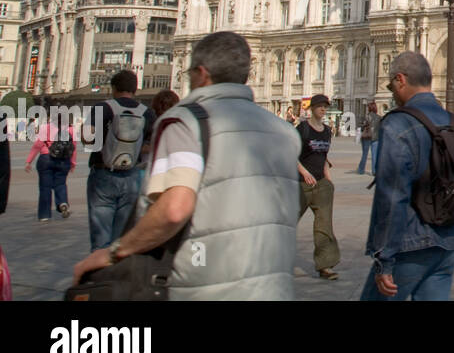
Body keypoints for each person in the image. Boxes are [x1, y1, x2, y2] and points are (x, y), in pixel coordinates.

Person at [71, 31, 300, 299]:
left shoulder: (186, 122)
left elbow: (175, 209)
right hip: (273, 287)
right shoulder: (284, 132)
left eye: (189, 72)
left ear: (202, 74)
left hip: (204, 286)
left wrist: (115, 252)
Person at [362, 51, 454, 301]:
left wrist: (384, 257)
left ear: (400, 80)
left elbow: (393, 195)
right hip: (447, 242)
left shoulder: (397, 123)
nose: (392, 93)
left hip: (410, 245)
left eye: (390, 85)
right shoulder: (451, 120)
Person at [82, 69, 156, 249]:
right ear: (135, 89)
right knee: (121, 239)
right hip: (131, 176)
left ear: (113, 88)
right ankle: (114, 272)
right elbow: (152, 144)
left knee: (101, 235)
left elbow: (87, 137)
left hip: (103, 174)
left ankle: (98, 271)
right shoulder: (147, 113)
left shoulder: (103, 107)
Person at [297, 94, 341, 280]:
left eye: (325, 106)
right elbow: (292, 154)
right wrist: (304, 173)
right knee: (287, 222)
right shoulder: (303, 128)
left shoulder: (327, 131)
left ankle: (325, 266)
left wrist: (328, 180)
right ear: (312, 108)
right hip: (301, 184)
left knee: (324, 225)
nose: (323, 109)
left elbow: (323, 156)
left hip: (321, 184)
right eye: (320, 106)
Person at [26, 104, 77, 221]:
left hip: (46, 158)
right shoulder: (71, 129)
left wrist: (29, 161)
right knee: (61, 184)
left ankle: (44, 215)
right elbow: (73, 147)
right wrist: (73, 163)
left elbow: (37, 145)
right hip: (64, 161)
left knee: (45, 187)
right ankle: (63, 202)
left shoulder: (47, 127)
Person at [357, 101, 380, 173]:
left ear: (369, 108)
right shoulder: (379, 117)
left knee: (365, 154)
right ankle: (374, 170)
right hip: (376, 138)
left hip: (366, 137)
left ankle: (361, 170)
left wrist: (364, 126)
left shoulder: (365, 117)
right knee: (374, 155)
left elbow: (360, 125)